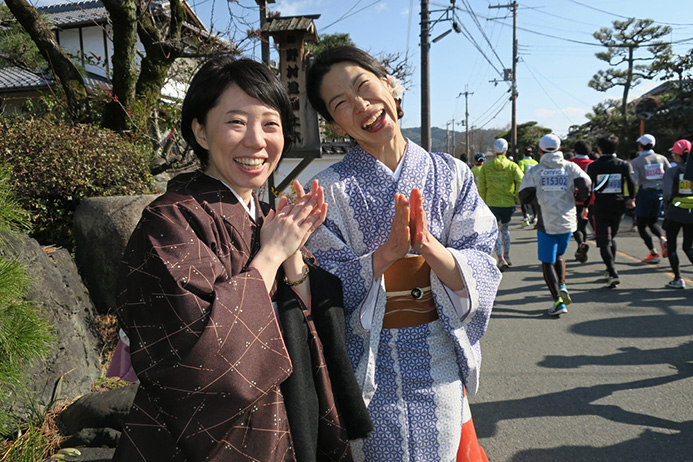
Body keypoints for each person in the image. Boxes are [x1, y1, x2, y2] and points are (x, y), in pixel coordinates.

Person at [111, 57, 372, 462]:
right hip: (214, 441)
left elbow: (310, 324)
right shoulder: (169, 222)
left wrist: (293, 261)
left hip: (289, 418)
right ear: (199, 130)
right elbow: (196, 360)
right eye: (236, 122)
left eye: (270, 124)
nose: (256, 141)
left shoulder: (269, 216)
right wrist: (269, 256)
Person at [305, 45, 499, 462]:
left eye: (365, 86)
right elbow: (318, 282)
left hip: (438, 356)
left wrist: (429, 248)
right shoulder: (326, 190)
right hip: (366, 366)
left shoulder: (452, 174)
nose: (361, 105)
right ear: (335, 125)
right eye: (340, 103)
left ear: (390, 86)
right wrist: (385, 256)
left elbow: (482, 256)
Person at [518, 134, 591, 315]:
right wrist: (577, 198)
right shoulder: (570, 167)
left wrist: (536, 199)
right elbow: (586, 185)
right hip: (567, 220)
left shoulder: (536, 170)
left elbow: (524, 194)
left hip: (546, 220)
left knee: (546, 262)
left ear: (540, 150)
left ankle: (558, 301)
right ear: (559, 149)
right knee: (559, 255)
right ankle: (563, 285)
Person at [585, 135, 636, 288]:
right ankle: (610, 269)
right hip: (618, 204)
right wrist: (631, 199)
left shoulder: (593, 166)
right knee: (610, 237)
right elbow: (631, 182)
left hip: (600, 205)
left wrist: (586, 206)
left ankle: (612, 272)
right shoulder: (623, 164)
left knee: (604, 240)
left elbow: (588, 188)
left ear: (599, 149)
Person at [478, 137, 524, 270]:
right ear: (506, 150)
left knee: (495, 231)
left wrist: (484, 201)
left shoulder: (487, 167)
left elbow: (481, 186)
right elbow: (521, 180)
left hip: (492, 203)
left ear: (494, 150)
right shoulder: (512, 166)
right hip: (508, 203)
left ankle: (500, 258)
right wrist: (516, 196)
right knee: (505, 229)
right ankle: (507, 256)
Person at [630, 134, 671, 263]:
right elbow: (669, 174)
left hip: (645, 193)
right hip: (659, 193)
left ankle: (653, 252)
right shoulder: (662, 158)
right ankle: (662, 238)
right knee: (653, 222)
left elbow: (634, 180)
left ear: (641, 146)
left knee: (641, 225)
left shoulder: (637, 161)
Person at [662, 139, 693, 288]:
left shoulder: (672, 171)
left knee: (672, 246)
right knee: (688, 247)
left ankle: (678, 278)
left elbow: (667, 193)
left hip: (675, 211)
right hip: (692, 211)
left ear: (676, 154)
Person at [568, 140, 594, 262]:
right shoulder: (593, 163)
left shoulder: (569, 164)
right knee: (583, 225)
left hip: (574, 199)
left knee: (576, 226)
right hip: (591, 200)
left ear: (575, 151)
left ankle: (581, 244)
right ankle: (581, 248)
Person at [518, 147, 538, 227]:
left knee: (523, 202)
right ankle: (535, 218)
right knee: (534, 202)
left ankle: (526, 219)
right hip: (535, 184)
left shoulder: (522, 162)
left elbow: (521, 173)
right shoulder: (535, 162)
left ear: (523, 153)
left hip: (525, 185)